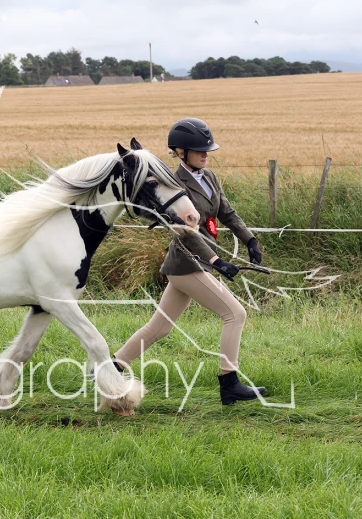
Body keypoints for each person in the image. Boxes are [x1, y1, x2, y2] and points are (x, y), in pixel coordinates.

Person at [113, 118, 267, 405]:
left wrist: (250, 240)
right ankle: (229, 384)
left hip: (194, 265)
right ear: (181, 152)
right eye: (199, 150)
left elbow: (227, 212)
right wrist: (217, 261)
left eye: (207, 150)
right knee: (235, 314)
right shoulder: (174, 184)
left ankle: (112, 368)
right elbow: (184, 231)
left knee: (160, 328)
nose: (206, 154)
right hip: (186, 264)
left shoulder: (209, 177)